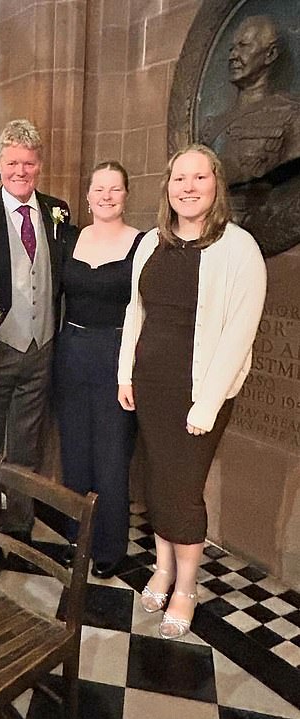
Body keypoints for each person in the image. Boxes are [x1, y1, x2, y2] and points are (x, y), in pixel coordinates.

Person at [118, 145, 266, 639]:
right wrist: (125, 374)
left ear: (215, 185)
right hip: (151, 384)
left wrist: (207, 403)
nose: (188, 187)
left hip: (201, 388)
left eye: (198, 178)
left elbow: (239, 333)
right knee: (158, 478)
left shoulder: (238, 247)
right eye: (179, 178)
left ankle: (186, 586)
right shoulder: (150, 244)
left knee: (183, 489)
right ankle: (162, 567)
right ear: (167, 187)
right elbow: (134, 314)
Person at [0, 119, 70, 541]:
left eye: (28, 163)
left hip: (42, 346)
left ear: (39, 165)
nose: (20, 171)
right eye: (12, 163)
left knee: (27, 442)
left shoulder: (57, 210)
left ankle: (21, 523)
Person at [54, 161, 143, 578]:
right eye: (99, 189)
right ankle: (79, 539)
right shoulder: (69, 238)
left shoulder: (142, 244)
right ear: (87, 197)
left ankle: (108, 548)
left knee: (111, 455)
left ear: (126, 195)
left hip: (116, 353)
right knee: (75, 453)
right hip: (71, 352)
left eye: (115, 189)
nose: (107, 196)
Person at [201, 14, 300, 188]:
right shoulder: (211, 127)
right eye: (231, 49)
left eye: (244, 46)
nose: (233, 56)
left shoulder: (291, 114)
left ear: (270, 54)